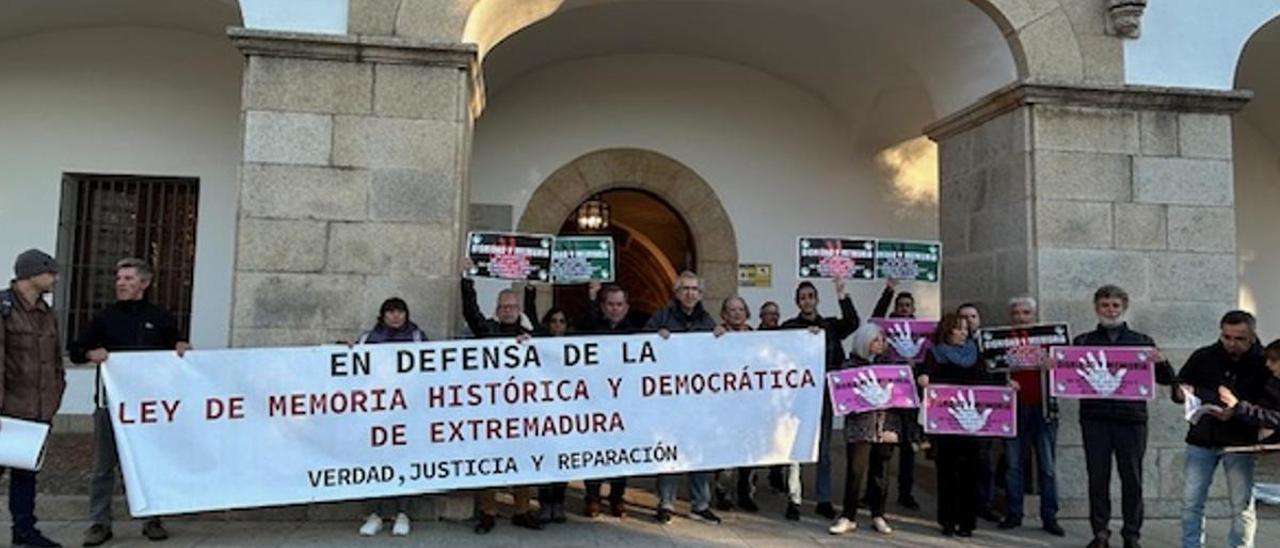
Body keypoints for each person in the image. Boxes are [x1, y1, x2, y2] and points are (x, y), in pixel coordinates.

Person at [71, 258, 189, 546]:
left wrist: (182, 347)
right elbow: (76, 350)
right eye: (118, 278)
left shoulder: (161, 317)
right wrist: (89, 354)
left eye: (127, 278)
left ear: (144, 284)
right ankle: (99, 523)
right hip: (110, 405)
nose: (120, 283)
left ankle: (153, 518)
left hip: (150, 407)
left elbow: (178, 346)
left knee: (150, 462)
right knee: (103, 467)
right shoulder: (104, 318)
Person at [1074, 285, 1177, 548]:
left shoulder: (1142, 341)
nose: (1110, 310)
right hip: (1095, 418)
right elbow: (1068, 380)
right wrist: (1055, 366)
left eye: (1115, 305)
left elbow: (1167, 380)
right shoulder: (1083, 342)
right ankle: (1100, 533)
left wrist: (1162, 361)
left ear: (1124, 308)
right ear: (1096, 308)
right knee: (1097, 478)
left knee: (1132, 478)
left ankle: (1131, 535)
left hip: (1131, 420)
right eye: (1105, 305)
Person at [1177, 311, 1268, 548]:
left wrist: (1238, 409)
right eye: (1226, 337)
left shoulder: (1263, 361)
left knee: (1242, 505)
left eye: (1239, 339)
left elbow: (1269, 403)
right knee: (1191, 501)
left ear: (1251, 336)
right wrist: (1181, 392)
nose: (1231, 344)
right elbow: (1181, 386)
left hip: (1240, 440)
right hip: (1202, 438)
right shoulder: (1204, 356)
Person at [460, 271, 541, 534]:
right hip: (491, 407)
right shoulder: (487, 330)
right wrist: (466, 280)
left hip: (522, 408)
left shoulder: (531, 333)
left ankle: (522, 509)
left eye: (512, 307)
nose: (508, 311)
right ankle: (487, 512)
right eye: (503, 307)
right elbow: (471, 312)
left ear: (518, 309)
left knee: (523, 459)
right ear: (497, 310)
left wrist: (530, 289)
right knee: (489, 458)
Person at [0, 249, 66, 548]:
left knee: (26, 475)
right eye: (50, 272)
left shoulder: (45, 311)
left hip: (37, 408)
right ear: (31, 274)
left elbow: (54, 359)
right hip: (8, 407)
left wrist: (56, 392)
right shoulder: (3, 307)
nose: (55, 278)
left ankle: (24, 530)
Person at [780, 277, 859, 520]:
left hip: (824, 394)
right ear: (797, 302)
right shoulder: (789, 326)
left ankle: (823, 499)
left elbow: (853, 322)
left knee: (824, 448)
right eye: (802, 298)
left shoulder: (831, 326)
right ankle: (794, 499)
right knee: (796, 447)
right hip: (798, 397)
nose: (807, 301)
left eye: (810, 296)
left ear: (816, 299)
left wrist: (842, 294)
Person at [647, 271, 721, 524]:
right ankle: (666, 502)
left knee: (699, 450)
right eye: (685, 289)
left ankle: (700, 503)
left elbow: (718, 356)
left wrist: (722, 339)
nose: (690, 293)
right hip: (669, 398)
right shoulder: (662, 317)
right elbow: (642, 347)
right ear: (677, 293)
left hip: (699, 399)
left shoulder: (708, 321)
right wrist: (657, 338)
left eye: (694, 289)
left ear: (700, 294)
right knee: (669, 448)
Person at [919, 313, 1000, 538]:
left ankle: (967, 521)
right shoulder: (935, 354)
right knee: (947, 473)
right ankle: (948, 520)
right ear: (948, 330)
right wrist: (924, 378)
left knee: (970, 473)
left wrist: (1006, 385)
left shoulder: (977, 354)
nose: (964, 332)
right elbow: (925, 376)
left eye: (966, 328)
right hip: (946, 425)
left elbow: (988, 381)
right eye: (959, 328)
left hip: (972, 424)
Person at [353, 298, 428, 537]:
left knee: (402, 459)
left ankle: (402, 513)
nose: (395, 316)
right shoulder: (369, 338)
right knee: (374, 460)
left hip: (407, 410)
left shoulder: (417, 337)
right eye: (390, 312)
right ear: (383, 315)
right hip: (376, 411)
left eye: (400, 312)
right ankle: (374, 514)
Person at [999, 296, 1064, 536]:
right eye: (1016, 313)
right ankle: (1014, 513)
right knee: (1014, 465)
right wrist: (1003, 379)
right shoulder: (1000, 341)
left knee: (1047, 466)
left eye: (1026, 313)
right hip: (1013, 408)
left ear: (1034, 316)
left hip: (1044, 408)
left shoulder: (1050, 340)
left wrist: (1056, 364)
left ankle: (1050, 516)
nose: (1021, 317)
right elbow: (990, 369)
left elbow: (1069, 370)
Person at [578, 282, 643, 519]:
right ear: (603, 307)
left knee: (620, 452)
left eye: (619, 304)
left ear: (626, 307)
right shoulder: (591, 326)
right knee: (595, 449)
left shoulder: (636, 330)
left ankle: (617, 497)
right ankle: (592, 496)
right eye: (610, 304)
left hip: (624, 401)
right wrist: (591, 299)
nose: (615, 309)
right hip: (595, 399)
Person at [828, 323, 897, 536]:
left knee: (880, 472)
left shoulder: (891, 366)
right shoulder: (850, 366)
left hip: (884, 425)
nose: (880, 344)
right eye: (876, 340)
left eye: (882, 340)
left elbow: (899, 400)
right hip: (860, 427)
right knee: (856, 472)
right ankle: (849, 515)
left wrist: (895, 429)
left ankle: (878, 514)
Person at [869, 279, 921, 511]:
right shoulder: (884, 329)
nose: (904, 309)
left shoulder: (922, 335)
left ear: (913, 310)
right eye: (900, 305)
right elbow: (875, 316)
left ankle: (905, 492)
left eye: (908, 306)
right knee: (880, 446)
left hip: (910, 396)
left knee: (908, 448)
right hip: (887, 396)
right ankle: (873, 492)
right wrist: (888, 291)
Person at [712, 296, 760, 513]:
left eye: (741, 309)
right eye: (732, 310)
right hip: (725, 405)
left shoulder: (756, 337)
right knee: (726, 452)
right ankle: (723, 492)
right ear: (724, 314)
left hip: (750, 405)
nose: (737, 313)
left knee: (749, 452)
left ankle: (747, 494)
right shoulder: (717, 336)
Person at [957, 302, 1000, 523]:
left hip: (984, 410)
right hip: (959, 410)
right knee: (961, 461)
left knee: (984, 460)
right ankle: (963, 505)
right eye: (964, 317)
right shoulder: (951, 345)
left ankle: (984, 504)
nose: (969, 320)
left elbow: (1000, 369)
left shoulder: (990, 343)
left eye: (973, 316)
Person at [533, 304, 573, 525]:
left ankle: (559, 503)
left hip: (566, 411)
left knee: (562, 460)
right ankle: (545, 503)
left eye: (562, 321)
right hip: (544, 411)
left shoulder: (576, 346)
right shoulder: (540, 344)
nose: (558, 325)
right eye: (554, 321)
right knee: (545, 459)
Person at [1217, 339, 1280, 429]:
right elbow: (1264, 411)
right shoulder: (1272, 384)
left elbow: (1275, 418)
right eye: (1267, 359)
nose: (1267, 364)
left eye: (1273, 360)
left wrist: (1238, 406)